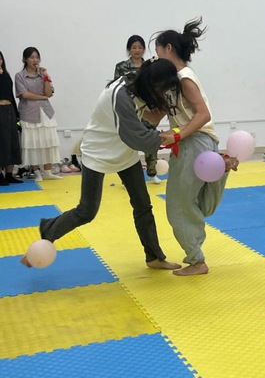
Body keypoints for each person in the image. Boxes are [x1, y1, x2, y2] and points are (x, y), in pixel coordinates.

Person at [21, 59, 182, 269]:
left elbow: (146, 120)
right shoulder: (120, 95)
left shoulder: (138, 84)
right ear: (151, 82)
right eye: (160, 89)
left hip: (124, 152)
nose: (160, 93)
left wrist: (170, 114)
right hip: (98, 153)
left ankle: (154, 257)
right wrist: (171, 136)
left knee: (143, 205)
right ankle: (48, 231)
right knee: (87, 211)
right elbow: (137, 137)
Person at [155, 18, 238, 276]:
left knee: (178, 205)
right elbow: (162, 113)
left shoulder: (183, 78)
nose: (156, 57)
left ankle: (197, 261)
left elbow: (203, 114)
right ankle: (220, 167)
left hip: (193, 142)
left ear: (168, 48)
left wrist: (177, 135)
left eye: (158, 51)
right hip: (201, 143)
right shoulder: (175, 79)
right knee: (196, 204)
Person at [114, 35, 162, 184]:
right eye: (134, 47)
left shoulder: (149, 66)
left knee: (150, 137)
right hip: (128, 107)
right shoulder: (121, 66)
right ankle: (127, 178)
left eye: (140, 47)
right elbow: (117, 86)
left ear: (144, 49)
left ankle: (152, 172)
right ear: (129, 49)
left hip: (147, 106)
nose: (137, 50)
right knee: (128, 142)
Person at [14, 47, 63, 182]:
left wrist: (45, 76)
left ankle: (47, 171)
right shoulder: (20, 76)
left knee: (49, 141)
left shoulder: (43, 74)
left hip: (45, 111)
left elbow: (49, 93)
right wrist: (42, 97)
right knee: (33, 143)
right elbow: (24, 94)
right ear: (25, 59)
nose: (35, 60)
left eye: (37, 57)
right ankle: (36, 171)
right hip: (29, 112)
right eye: (32, 57)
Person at [0, 51, 23, 186]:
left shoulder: (7, 75)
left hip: (10, 110)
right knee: (1, 142)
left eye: (0, 59)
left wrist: (17, 115)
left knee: (13, 142)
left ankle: (9, 174)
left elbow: (10, 94)